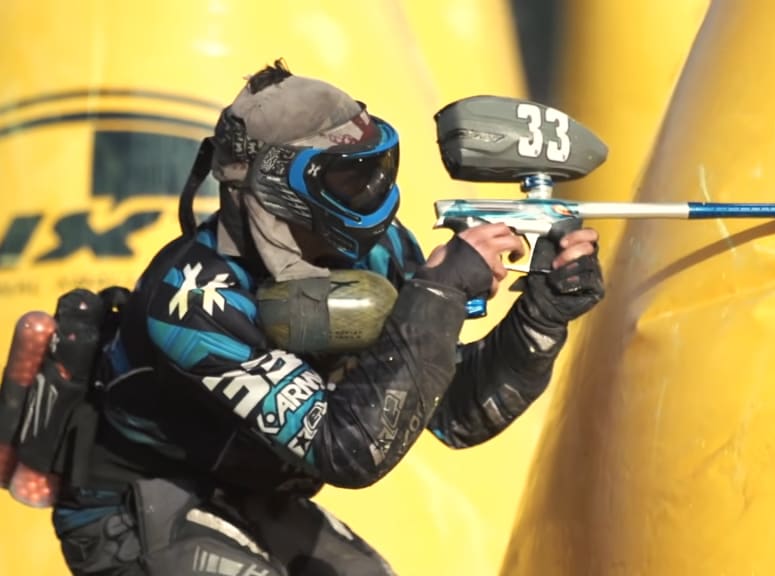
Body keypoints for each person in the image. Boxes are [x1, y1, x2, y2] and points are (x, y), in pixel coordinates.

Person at [46, 60, 605, 575]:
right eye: (348, 179)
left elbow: (454, 412)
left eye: (378, 169)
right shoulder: (193, 299)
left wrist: (540, 316)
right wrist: (437, 294)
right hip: (132, 504)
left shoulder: (379, 250)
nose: (374, 192)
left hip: (252, 490)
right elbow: (350, 452)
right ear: (274, 184)